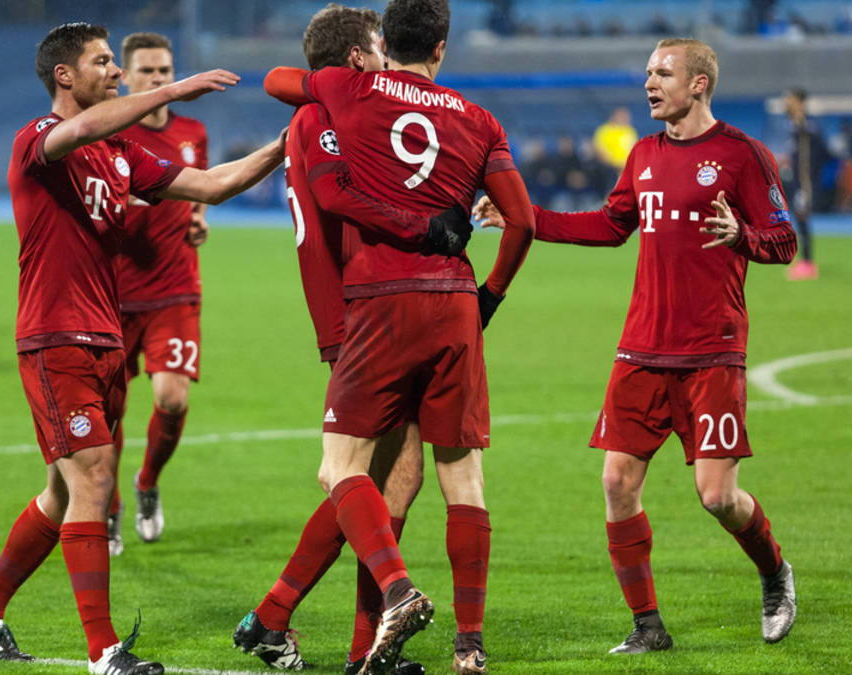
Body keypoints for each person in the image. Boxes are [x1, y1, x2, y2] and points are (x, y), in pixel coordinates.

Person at [0, 22, 284, 675]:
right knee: (95, 480)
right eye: (102, 61)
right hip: (55, 336)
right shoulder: (37, 141)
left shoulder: (121, 154)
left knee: (61, 493)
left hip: (103, 334)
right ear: (64, 75)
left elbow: (211, 184)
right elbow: (78, 129)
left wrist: (284, 146)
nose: (116, 71)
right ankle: (103, 652)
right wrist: (175, 90)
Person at [474, 37, 797, 654]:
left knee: (717, 497)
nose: (650, 83)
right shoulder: (644, 154)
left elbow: (785, 241)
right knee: (617, 483)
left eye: (663, 73)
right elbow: (610, 225)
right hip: (642, 348)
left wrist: (743, 236)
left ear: (699, 83)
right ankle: (648, 626)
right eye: (648, 72)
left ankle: (774, 572)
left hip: (712, 349)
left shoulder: (742, 155)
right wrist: (525, 218)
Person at [263, 1, 537, 672]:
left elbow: (275, 80)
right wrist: (489, 297)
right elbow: (523, 221)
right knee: (453, 475)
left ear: (386, 41)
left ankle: (379, 603)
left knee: (348, 471)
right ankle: (467, 645)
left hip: (377, 302)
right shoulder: (480, 119)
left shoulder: (348, 91)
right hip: (454, 302)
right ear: (441, 47)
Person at [232, 6, 427, 674]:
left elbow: (281, 80)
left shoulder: (325, 108)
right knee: (355, 473)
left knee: (390, 476)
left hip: (370, 309)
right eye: (377, 47)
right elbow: (338, 195)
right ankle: (363, 636)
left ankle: (278, 619)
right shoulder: (322, 117)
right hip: (359, 311)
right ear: (355, 58)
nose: (386, 58)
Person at [100, 31, 211, 557]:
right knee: (109, 413)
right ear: (126, 77)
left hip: (174, 289)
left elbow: (198, 192)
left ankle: (146, 482)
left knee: (172, 397)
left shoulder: (193, 132)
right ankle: (109, 506)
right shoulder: (106, 132)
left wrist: (199, 220)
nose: (158, 79)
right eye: (147, 71)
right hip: (112, 297)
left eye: (164, 70)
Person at [782, 87, 826, 280]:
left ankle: (808, 264)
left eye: (788, 99)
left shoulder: (807, 126)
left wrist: (810, 175)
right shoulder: (795, 126)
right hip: (797, 180)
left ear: (799, 102)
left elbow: (822, 152)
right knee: (799, 219)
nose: (785, 102)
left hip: (805, 182)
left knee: (802, 219)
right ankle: (804, 261)